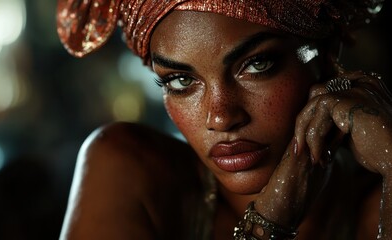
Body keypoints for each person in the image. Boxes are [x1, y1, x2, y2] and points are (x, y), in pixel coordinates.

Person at [56, 0, 392, 239]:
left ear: (328, 50)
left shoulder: (376, 205)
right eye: (181, 81)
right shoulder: (130, 172)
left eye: (257, 65)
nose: (220, 117)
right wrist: (269, 223)